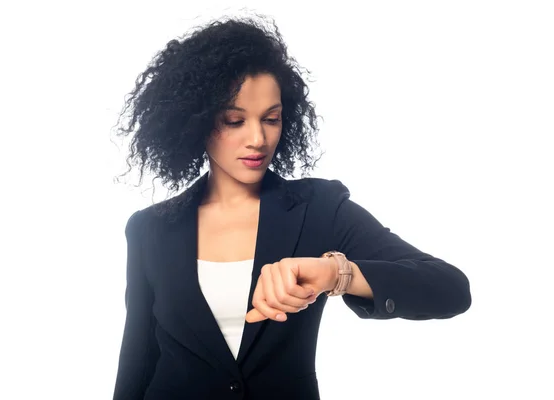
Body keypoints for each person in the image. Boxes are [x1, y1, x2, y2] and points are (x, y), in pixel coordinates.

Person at [111, 15, 471, 400]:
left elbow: (450, 288)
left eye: (271, 119)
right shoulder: (150, 229)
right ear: (193, 121)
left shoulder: (318, 209)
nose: (257, 138)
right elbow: (138, 360)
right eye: (234, 120)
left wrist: (337, 273)